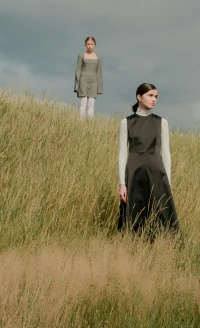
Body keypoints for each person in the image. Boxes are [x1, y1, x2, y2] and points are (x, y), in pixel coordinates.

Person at [117, 83, 180, 234]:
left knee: (164, 213)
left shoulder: (162, 122)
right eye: (150, 95)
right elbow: (122, 153)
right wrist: (122, 183)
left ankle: (168, 247)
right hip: (134, 172)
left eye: (156, 96)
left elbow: (166, 152)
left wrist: (168, 181)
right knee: (134, 213)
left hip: (157, 172)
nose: (154, 100)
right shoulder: (126, 122)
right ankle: (132, 247)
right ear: (139, 97)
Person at [74, 37, 103, 119]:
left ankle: (90, 123)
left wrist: (99, 87)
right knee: (83, 101)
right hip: (83, 80)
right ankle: (81, 121)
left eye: (91, 44)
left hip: (94, 81)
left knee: (91, 103)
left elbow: (99, 72)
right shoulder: (81, 55)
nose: (90, 46)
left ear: (95, 45)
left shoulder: (98, 57)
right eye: (88, 44)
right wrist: (77, 85)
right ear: (85, 45)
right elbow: (78, 70)